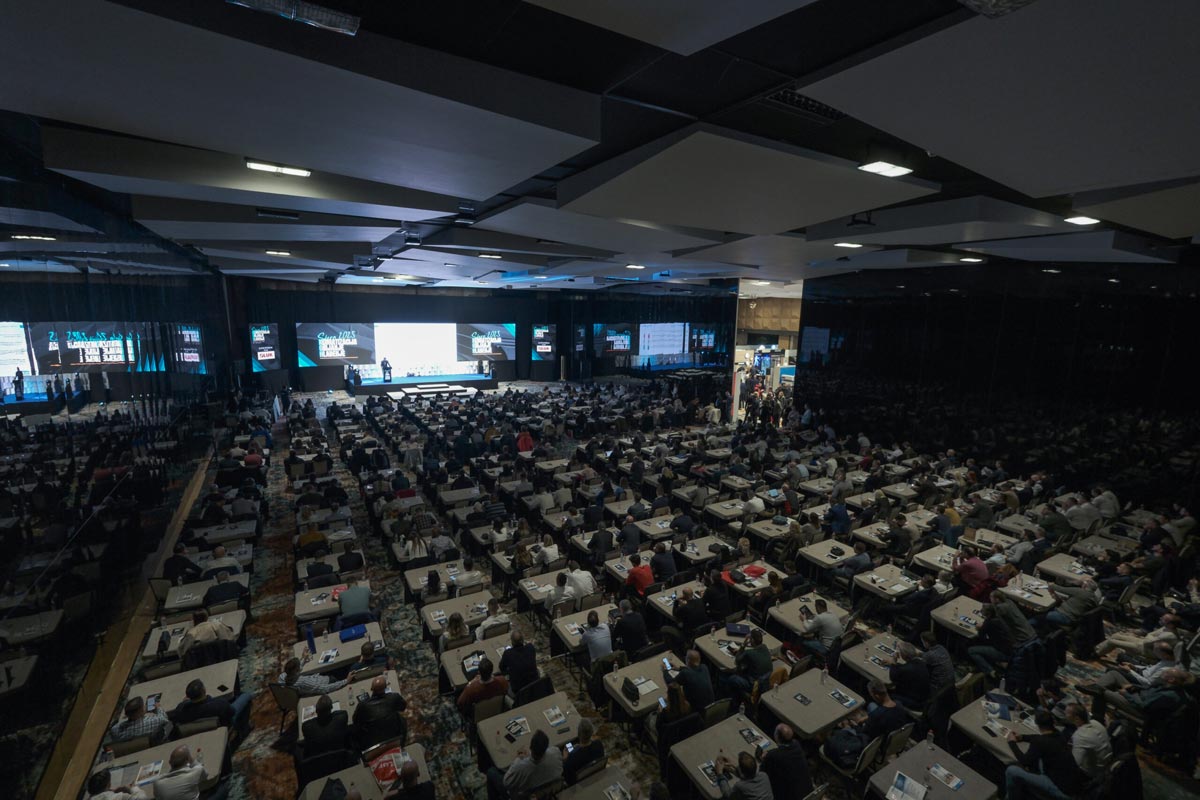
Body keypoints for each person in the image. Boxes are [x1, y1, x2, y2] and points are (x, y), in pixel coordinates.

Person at [1004, 710, 1088, 800]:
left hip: (1062, 790)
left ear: (1036, 723)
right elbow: (1040, 737)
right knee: (1039, 759)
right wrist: (1023, 737)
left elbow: (1025, 761)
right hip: (1073, 785)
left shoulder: (1040, 742)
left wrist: (1011, 742)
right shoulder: (1059, 734)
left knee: (1011, 770)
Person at [825, 681, 909, 768]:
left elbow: (864, 733)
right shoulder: (899, 704)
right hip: (890, 732)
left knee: (845, 730)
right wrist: (866, 718)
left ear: (876, 696)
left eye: (872, 695)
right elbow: (883, 714)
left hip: (877, 740)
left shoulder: (877, 716)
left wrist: (852, 725)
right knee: (872, 705)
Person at [171, 678, 253, 732]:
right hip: (224, 725)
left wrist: (184, 703)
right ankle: (244, 729)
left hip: (199, 732)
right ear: (204, 690)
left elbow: (179, 708)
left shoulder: (180, 711)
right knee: (246, 695)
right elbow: (232, 712)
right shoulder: (220, 704)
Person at [761, 723, 814, 800]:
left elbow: (762, 772)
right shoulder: (797, 745)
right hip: (807, 792)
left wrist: (766, 757)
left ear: (777, 737)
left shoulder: (773, 756)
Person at [353, 675, 408, 748]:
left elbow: (355, 720)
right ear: (386, 687)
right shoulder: (394, 697)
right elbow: (402, 707)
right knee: (401, 718)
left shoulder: (362, 705)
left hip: (372, 740)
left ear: (371, 688)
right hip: (394, 735)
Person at [721, 629, 773, 704]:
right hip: (765, 682)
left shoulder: (749, 653)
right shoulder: (765, 648)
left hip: (754, 685)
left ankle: (731, 702)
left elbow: (737, 661)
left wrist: (743, 645)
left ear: (752, 640)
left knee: (732, 678)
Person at [966, 603, 1013, 677]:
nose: (980, 611)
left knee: (971, 650)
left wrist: (980, 628)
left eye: (982, 610)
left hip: (1003, 652)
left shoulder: (989, 623)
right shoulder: (999, 618)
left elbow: (981, 637)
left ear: (988, 613)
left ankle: (991, 671)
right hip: (1011, 648)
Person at [1064, 703, 1112, 773]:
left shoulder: (1079, 736)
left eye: (1067, 713)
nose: (1064, 713)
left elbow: (1075, 763)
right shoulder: (1095, 722)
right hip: (1108, 761)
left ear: (1077, 718)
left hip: (1096, 771)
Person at [888, 642, 932, 709]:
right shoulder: (920, 662)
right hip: (924, 697)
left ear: (904, 655)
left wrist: (894, 662)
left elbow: (892, 677)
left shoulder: (906, 669)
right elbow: (905, 668)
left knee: (888, 693)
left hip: (916, 702)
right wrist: (895, 665)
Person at [562, 717, 605, 784]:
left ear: (578, 734)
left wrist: (565, 759)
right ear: (592, 733)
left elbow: (567, 778)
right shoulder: (598, 744)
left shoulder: (572, 758)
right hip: (595, 777)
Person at [279, 656, 348, 696]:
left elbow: (296, 671)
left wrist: (304, 658)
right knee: (344, 669)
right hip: (329, 681)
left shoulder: (283, 677)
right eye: (298, 668)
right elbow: (324, 688)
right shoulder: (303, 682)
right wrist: (345, 681)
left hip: (318, 676)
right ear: (296, 670)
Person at [499, 630, 538, 695]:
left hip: (518, 689)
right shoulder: (530, 648)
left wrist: (511, 671)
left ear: (512, 642)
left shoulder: (508, 654)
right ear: (523, 640)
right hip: (535, 683)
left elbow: (501, 668)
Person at [919, 631, 955, 696]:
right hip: (951, 683)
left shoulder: (929, 655)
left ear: (926, 643)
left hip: (938, 686)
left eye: (922, 642)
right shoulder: (942, 648)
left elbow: (919, 667)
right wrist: (921, 654)